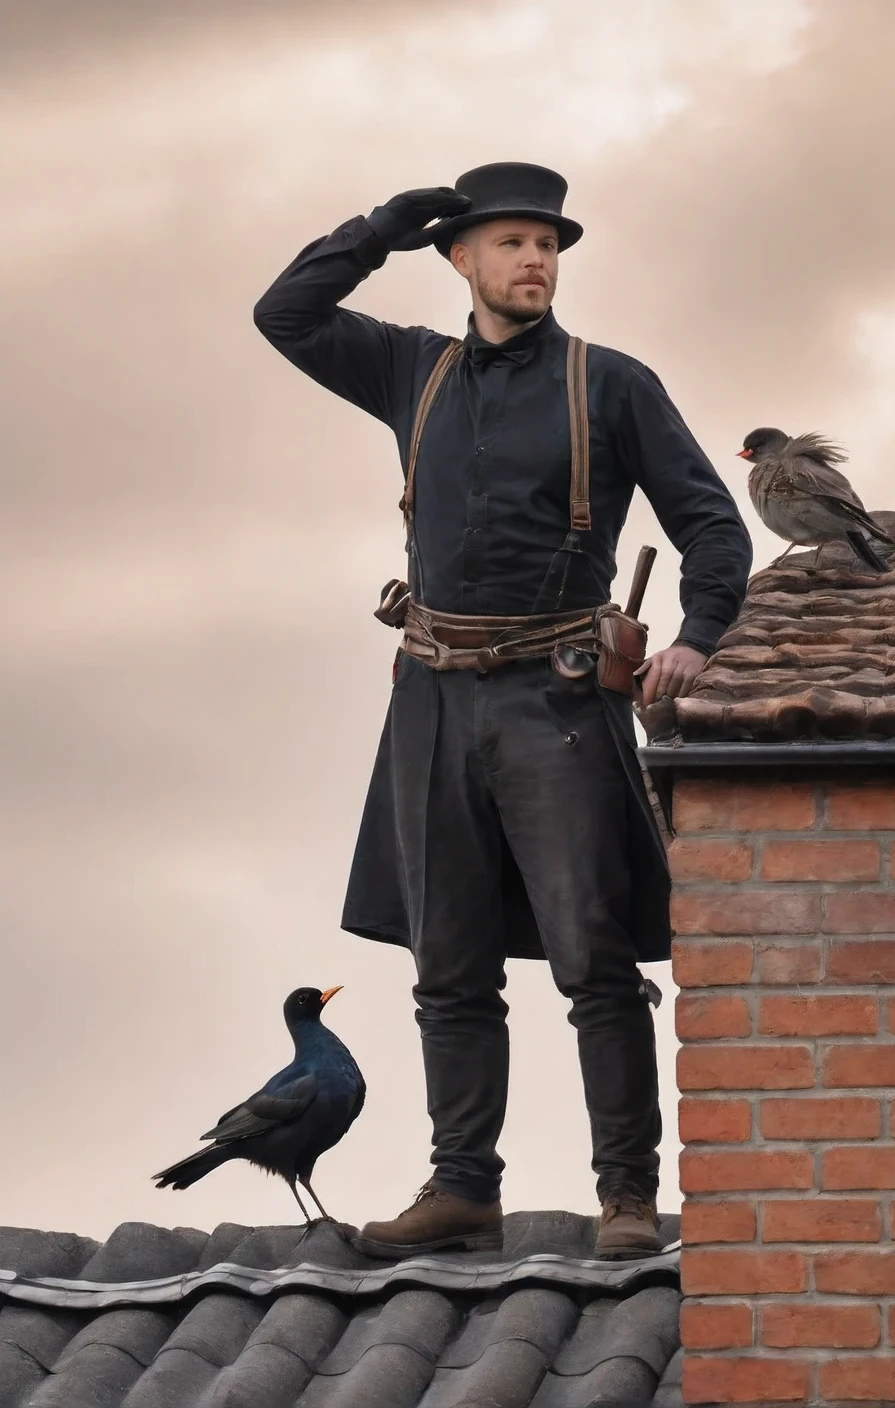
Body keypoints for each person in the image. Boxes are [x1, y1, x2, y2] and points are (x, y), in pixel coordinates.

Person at [253, 162, 752, 1260]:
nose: (536, 260)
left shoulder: (610, 382)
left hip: (558, 699)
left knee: (595, 960)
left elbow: (717, 527)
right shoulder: (409, 369)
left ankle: (626, 1197)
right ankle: (462, 1186)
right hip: (430, 697)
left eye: (549, 244)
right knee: (449, 969)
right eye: (513, 242)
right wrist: (382, 226)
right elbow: (283, 313)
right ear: (461, 257)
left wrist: (697, 637)